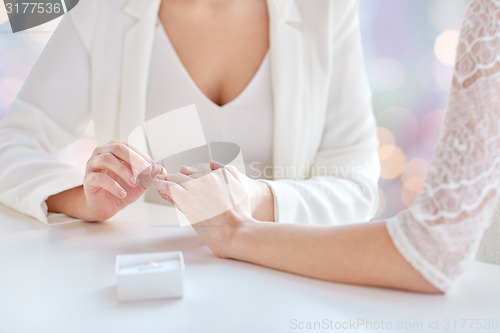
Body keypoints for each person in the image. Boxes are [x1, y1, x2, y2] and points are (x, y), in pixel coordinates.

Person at [155, 0, 500, 293]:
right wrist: (98, 203)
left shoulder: (326, 10)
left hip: (282, 294)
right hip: (145, 279)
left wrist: (245, 220)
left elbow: (428, 243)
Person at [0, 0, 379, 225]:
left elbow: (356, 184)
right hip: (148, 285)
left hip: (283, 283)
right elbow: (11, 144)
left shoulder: (324, 10)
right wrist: (87, 199)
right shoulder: (104, 10)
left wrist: (255, 200)